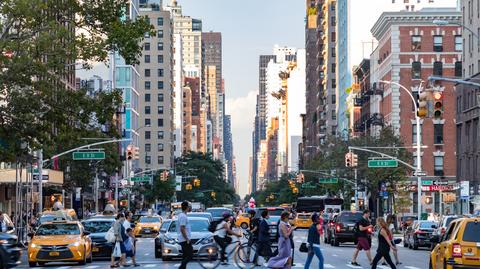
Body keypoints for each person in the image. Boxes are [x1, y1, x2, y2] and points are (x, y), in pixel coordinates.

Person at [177, 201, 192, 269]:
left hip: (184, 239)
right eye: (189, 206)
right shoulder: (183, 216)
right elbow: (182, 228)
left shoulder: (183, 215)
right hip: (184, 240)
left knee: (185, 256)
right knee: (190, 256)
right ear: (186, 207)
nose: (190, 207)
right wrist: (187, 239)